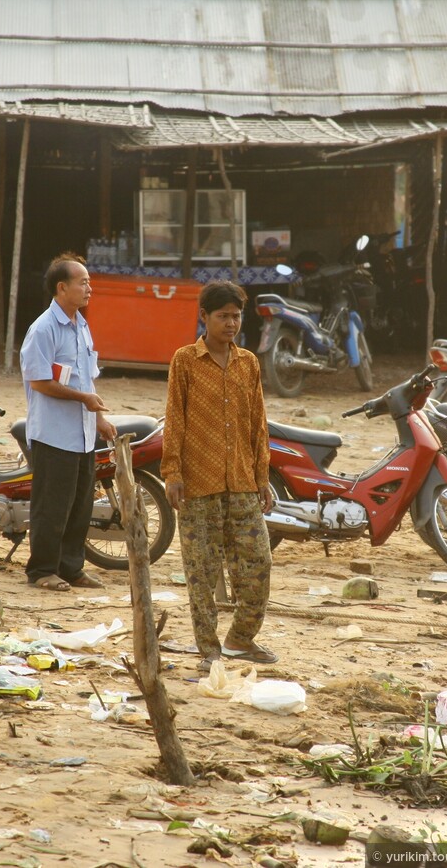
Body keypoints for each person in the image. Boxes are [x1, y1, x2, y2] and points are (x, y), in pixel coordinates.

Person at [161, 281, 277, 670]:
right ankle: (208, 649)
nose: (231, 323)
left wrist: (262, 476)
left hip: (243, 481)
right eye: (223, 316)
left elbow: (258, 424)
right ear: (204, 317)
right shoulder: (185, 360)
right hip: (198, 485)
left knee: (258, 565)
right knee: (201, 573)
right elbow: (174, 420)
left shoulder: (248, 363)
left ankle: (240, 639)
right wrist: (172, 472)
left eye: (236, 316)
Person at [19, 252, 117, 592]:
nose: (89, 287)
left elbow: (87, 379)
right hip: (54, 434)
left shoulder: (82, 325)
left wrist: (99, 415)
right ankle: (42, 570)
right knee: (52, 507)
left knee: (79, 506)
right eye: (83, 282)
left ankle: (71, 568)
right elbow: (40, 382)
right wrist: (84, 400)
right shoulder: (43, 329)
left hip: (84, 434)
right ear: (62, 288)